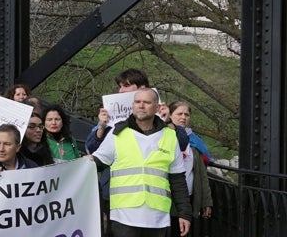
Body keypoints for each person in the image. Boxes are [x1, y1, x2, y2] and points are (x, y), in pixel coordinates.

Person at [90, 88, 192, 237]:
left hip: (157, 218)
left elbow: (178, 179)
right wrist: (84, 162)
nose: (141, 105)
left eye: (146, 102)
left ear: (157, 108)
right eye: (137, 102)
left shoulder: (170, 136)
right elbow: (97, 162)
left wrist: (185, 213)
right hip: (124, 217)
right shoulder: (117, 134)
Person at [166, 102, 213, 234]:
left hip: (188, 198)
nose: (183, 117)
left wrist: (206, 201)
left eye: (186, 114)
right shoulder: (163, 137)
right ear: (169, 115)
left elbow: (201, 174)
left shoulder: (194, 141)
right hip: (167, 198)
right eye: (179, 114)